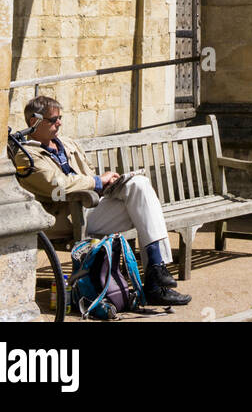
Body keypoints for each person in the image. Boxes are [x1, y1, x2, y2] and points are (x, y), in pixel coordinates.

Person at [14, 96, 190, 307]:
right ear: (34, 121)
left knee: (140, 185)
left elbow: (88, 174)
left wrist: (108, 183)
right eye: (53, 120)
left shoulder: (67, 144)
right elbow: (56, 185)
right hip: (68, 217)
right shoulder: (26, 155)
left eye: (60, 118)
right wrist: (97, 181)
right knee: (143, 209)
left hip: (91, 208)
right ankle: (154, 285)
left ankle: (155, 271)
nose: (59, 123)